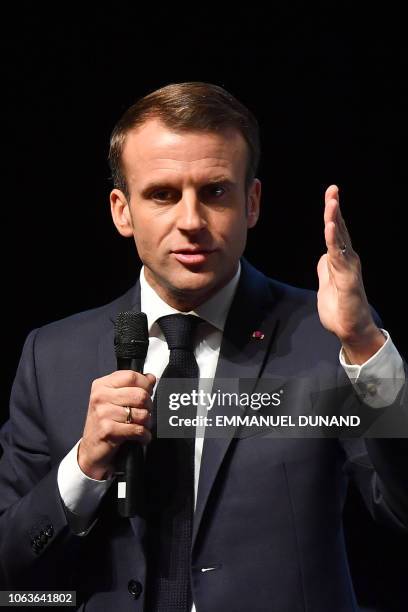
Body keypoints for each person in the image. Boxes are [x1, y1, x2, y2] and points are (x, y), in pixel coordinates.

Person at [0, 82, 406, 612]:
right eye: (163, 194)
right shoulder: (50, 356)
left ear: (251, 202)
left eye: (214, 192)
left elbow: (401, 510)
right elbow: (13, 571)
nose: (191, 222)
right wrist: (84, 467)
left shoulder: (329, 336)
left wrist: (365, 345)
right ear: (122, 211)